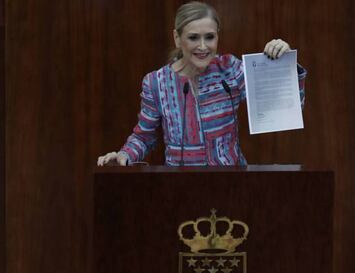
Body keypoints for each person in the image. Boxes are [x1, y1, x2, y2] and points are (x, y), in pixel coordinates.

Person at [97, 1, 306, 167]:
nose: (203, 46)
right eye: (193, 38)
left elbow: (284, 105)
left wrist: (282, 62)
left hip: (232, 185)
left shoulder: (230, 69)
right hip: (179, 190)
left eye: (210, 37)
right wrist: (124, 154)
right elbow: (145, 136)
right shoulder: (155, 83)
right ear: (177, 38)